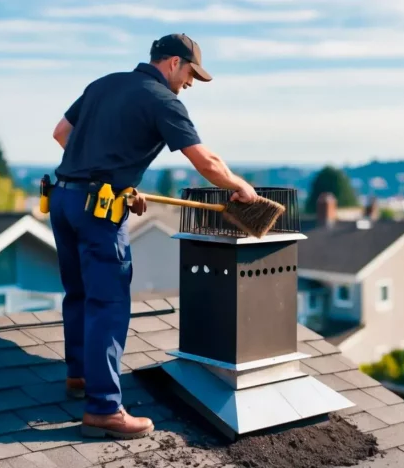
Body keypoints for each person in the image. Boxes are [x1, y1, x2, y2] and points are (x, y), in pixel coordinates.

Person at [48, 33, 258, 439]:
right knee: (107, 304)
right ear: (173, 63)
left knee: (77, 293)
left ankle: (79, 376)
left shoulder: (103, 83)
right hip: (96, 212)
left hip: (63, 200)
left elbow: (60, 133)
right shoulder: (163, 100)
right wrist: (241, 187)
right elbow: (207, 162)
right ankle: (104, 408)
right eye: (191, 73)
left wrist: (112, 179)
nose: (191, 83)